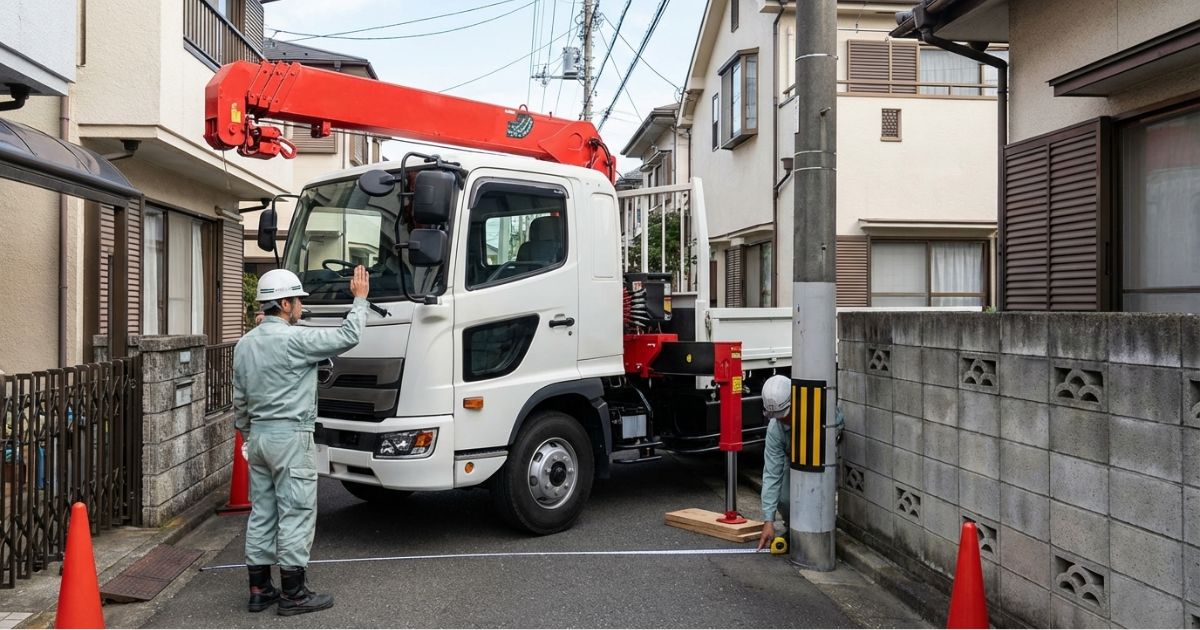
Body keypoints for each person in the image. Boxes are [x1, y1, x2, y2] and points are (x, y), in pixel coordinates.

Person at [233, 266, 370, 616]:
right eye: (296, 300)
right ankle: (294, 593)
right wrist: (359, 300)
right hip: (291, 437)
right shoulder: (297, 340)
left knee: (263, 512)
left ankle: (259, 589)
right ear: (283, 302)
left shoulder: (244, 345)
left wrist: (248, 435)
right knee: (295, 511)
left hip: (259, 437)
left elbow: (240, 401)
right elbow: (349, 335)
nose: (300, 307)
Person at [756, 375, 793, 551]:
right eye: (776, 416)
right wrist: (768, 521)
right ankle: (792, 526)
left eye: (783, 415)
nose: (780, 419)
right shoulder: (775, 429)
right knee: (784, 498)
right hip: (790, 456)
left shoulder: (818, 410)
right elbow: (772, 473)